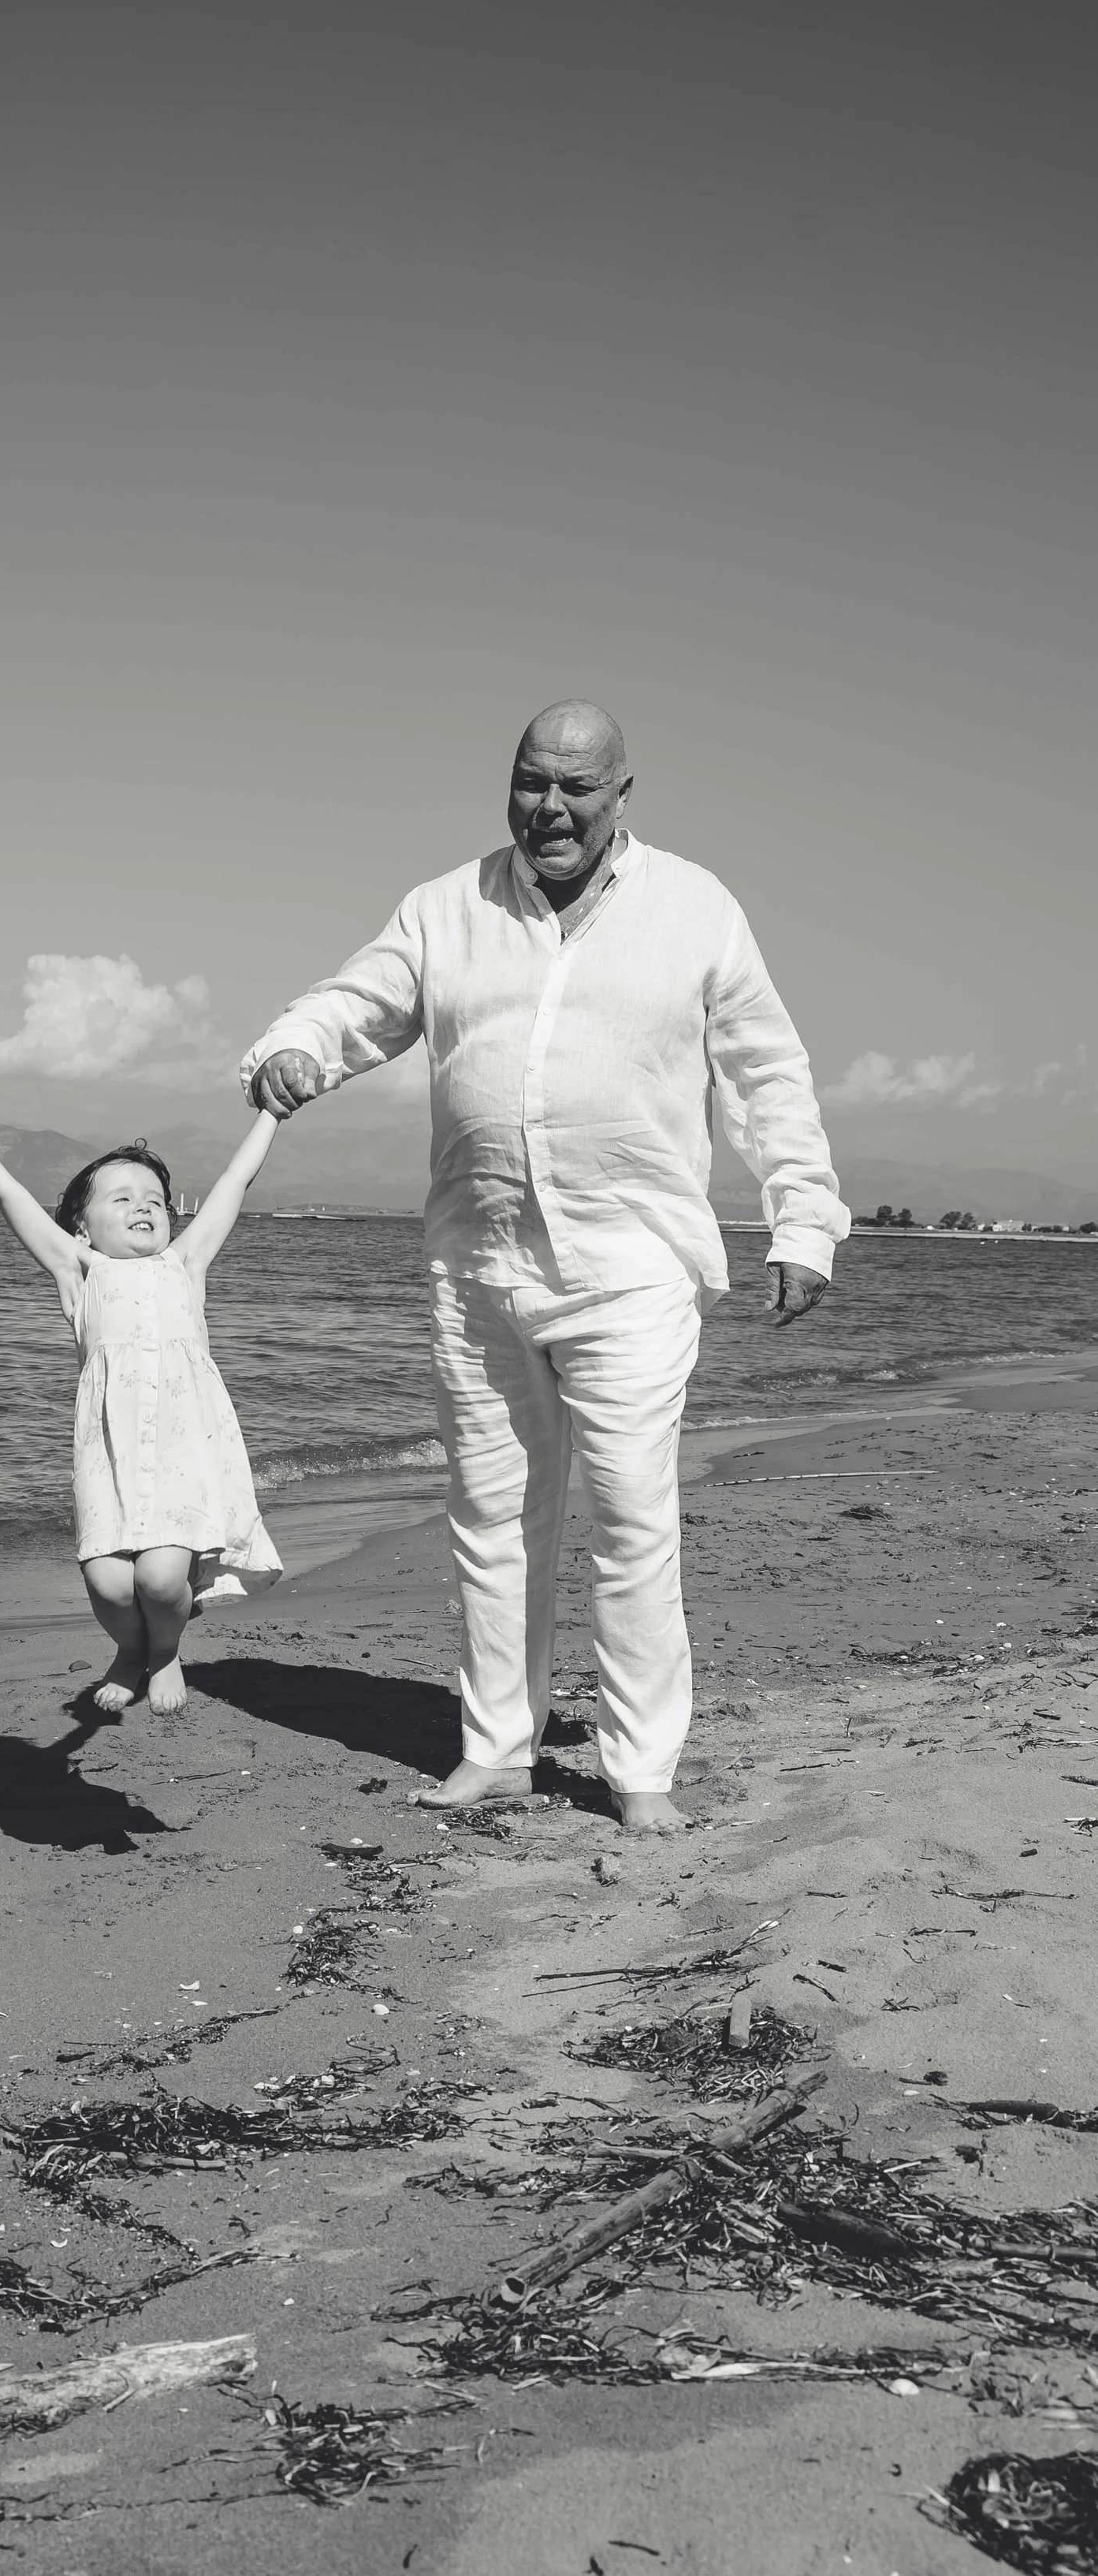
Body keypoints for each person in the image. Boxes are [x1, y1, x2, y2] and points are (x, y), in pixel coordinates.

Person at [245, 701, 847, 1837]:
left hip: (633, 1263)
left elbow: (768, 1073)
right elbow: (355, 1002)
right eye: (532, 782)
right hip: (476, 1261)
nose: (550, 807)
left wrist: (803, 1221)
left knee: (630, 1517)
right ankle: (498, 1749)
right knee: (492, 1515)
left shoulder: (697, 909)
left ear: (625, 794)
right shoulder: (444, 908)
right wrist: (295, 1048)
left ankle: (639, 1768)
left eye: (578, 787)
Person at [0, 1104, 283, 1714]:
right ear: (81, 1229)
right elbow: (8, 1193)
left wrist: (273, 1115)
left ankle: (165, 1652)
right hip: (107, 1453)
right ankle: (130, 1647)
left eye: (154, 1198)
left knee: (162, 1579)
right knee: (111, 1584)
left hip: (182, 1448)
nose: (143, 1206)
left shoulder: (185, 1264)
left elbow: (233, 1183)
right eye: (120, 1199)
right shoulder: (79, 1273)